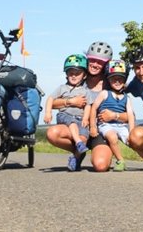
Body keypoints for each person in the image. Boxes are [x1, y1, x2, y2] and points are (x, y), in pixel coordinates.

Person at [46, 41, 129, 171]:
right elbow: (53, 102)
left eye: (100, 62)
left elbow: (129, 115)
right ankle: (80, 150)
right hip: (79, 127)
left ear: (106, 64)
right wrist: (70, 102)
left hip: (100, 131)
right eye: (92, 60)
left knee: (100, 166)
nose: (95, 64)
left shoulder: (112, 84)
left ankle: (96, 151)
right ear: (87, 59)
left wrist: (115, 115)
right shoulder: (78, 77)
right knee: (53, 133)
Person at [44, 54, 91, 170]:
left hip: (80, 118)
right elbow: (50, 99)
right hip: (65, 116)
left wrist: (86, 118)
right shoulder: (62, 88)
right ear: (66, 74)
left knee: (84, 137)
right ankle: (78, 144)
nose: (73, 76)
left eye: (77, 73)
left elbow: (88, 106)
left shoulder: (86, 91)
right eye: (70, 73)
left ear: (84, 75)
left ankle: (75, 157)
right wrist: (48, 113)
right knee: (72, 124)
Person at [89, 59, 137, 172]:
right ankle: (120, 160)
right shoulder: (104, 93)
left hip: (117, 126)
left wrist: (115, 116)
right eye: (113, 78)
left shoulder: (125, 97)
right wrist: (92, 126)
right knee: (112, 138)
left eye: (120, 78)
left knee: (134, 141)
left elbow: (131, 115)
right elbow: (93, 108)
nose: (117, 81)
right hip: (101, 128)